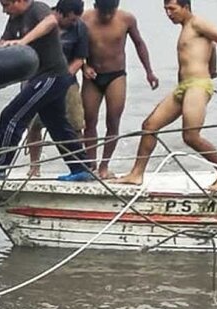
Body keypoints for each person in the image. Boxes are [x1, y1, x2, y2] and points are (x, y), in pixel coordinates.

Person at [113, 0, 217, 193]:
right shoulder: (186, 28)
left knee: (190, 136)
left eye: (172, 9)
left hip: (198, 86)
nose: (168, 13)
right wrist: (213, 68)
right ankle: (136, 174)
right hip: (183, 86)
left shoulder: (198, 23)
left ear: (185, 7)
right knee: (149, 126)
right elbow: (212, 46)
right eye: (166, 9)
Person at [0, 0, 92, 182]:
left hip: (52, 75)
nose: (4, 10)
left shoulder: (37, 8)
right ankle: (81, 168)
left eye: (7, 5)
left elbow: (50, 22)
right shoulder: (14, 18)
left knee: (11, 116)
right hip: (40, 77)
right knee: (57, 124)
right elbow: (3, 42)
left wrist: (23, 42)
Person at [82, 0, 159, 179]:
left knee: (113, 121)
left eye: (111, 12)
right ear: (96, 7)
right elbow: (76, 47)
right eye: (103, 12)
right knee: (89, 121)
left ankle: (104, 166)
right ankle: (90, 165)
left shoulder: (126, 19)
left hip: (116, 75)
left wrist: (149, 72)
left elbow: (139, 44)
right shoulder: (85, 19)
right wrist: (84, 67)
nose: (107, 16)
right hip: (92, 76)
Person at [26, 0, 90, 178]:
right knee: (34, 125)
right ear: (61, 13)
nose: (74, 22)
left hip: (66, 79)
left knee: (76, 124)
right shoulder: (40, 21)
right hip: (36, 78)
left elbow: (80, 58)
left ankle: (78, 165)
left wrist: (63, 76)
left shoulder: (80, 27)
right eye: (71, 19)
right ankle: (34, 166)